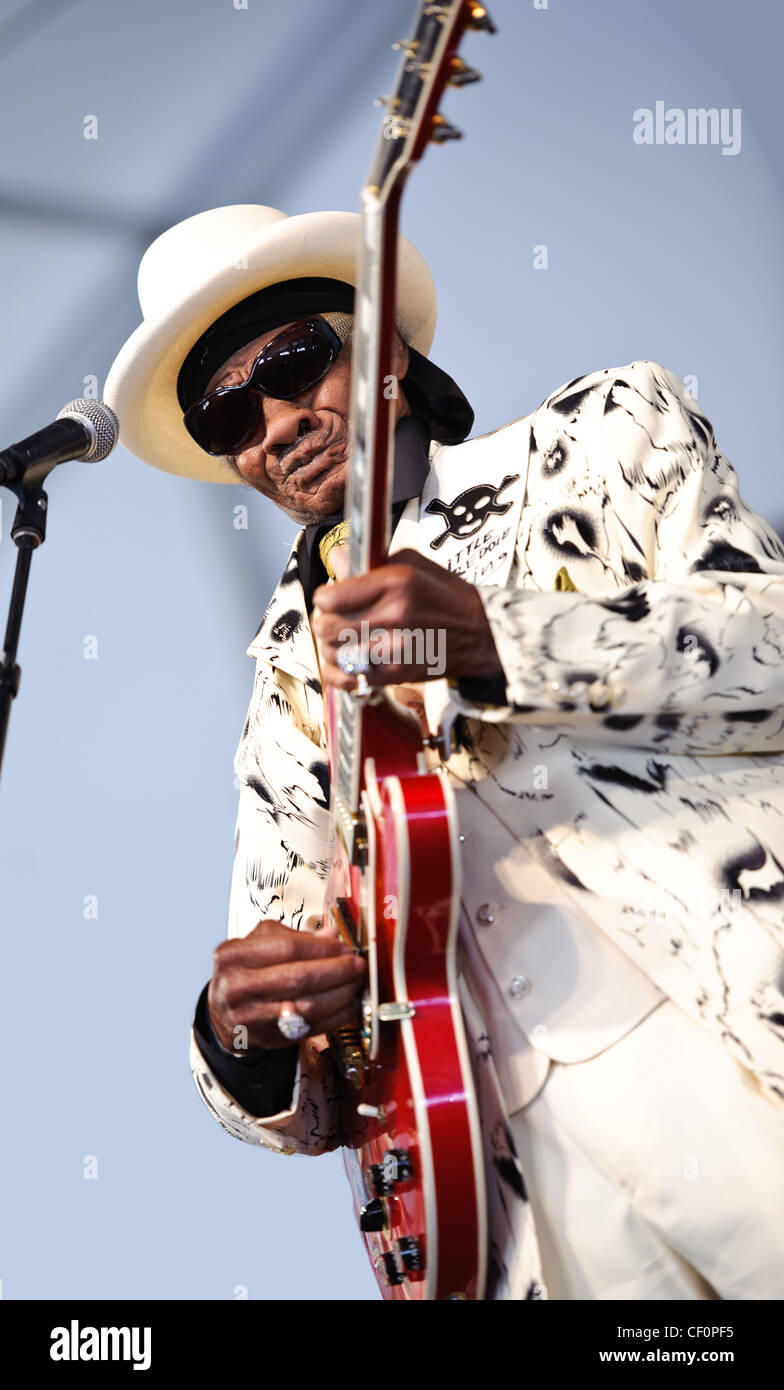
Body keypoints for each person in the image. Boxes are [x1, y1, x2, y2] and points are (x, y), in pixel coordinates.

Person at [106, 203, 784, 1301]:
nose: (273, 419)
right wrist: (243, 1031)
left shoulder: (601, 439)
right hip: (506, 1202)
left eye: (293, 360)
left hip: (731, 1037)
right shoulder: (281, 689)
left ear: (387, 347)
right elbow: (281, 1009)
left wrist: (502, 640)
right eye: (226, 410)